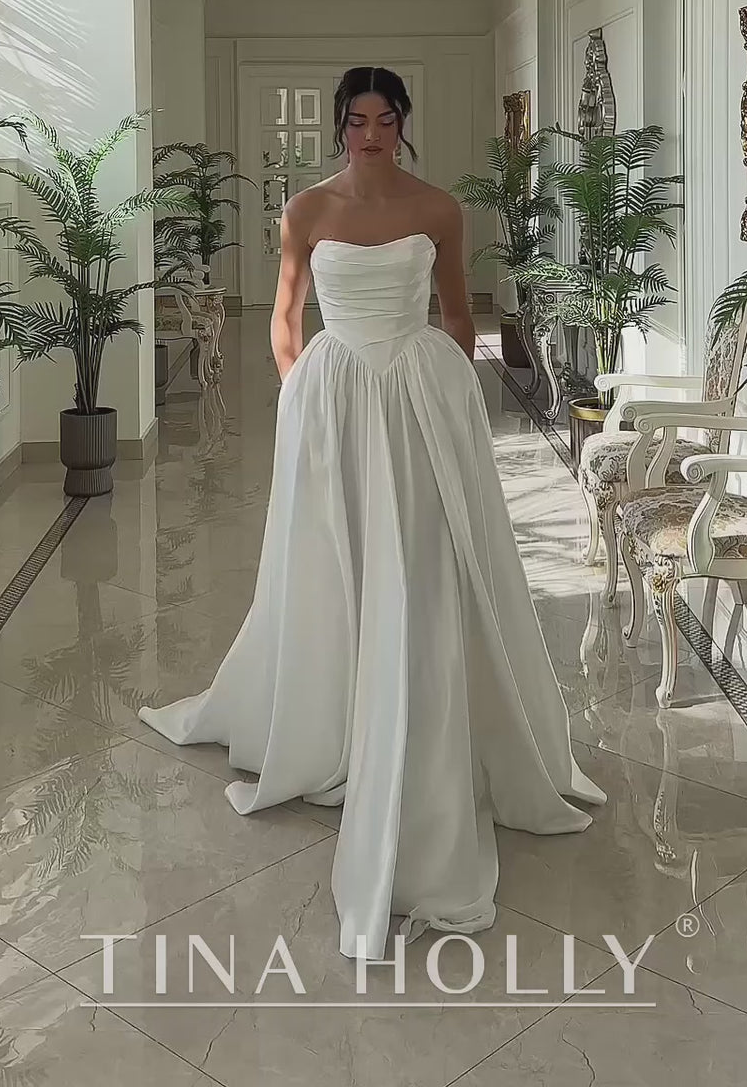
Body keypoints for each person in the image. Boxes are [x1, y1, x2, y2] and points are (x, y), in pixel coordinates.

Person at [140, 65, 602, 959]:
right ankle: (337, 714)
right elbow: (285, 315)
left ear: (402, 123)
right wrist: (303, 397)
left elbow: (458, 318)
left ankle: (417, 712)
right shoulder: (306, 210)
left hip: (419, 393)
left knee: (420, 562)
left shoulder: (439, 208)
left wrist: (450, 405)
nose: (371, 132)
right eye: (357, 120)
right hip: (336, 395)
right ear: (339, 127)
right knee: (336, 555)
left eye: (386, 118)